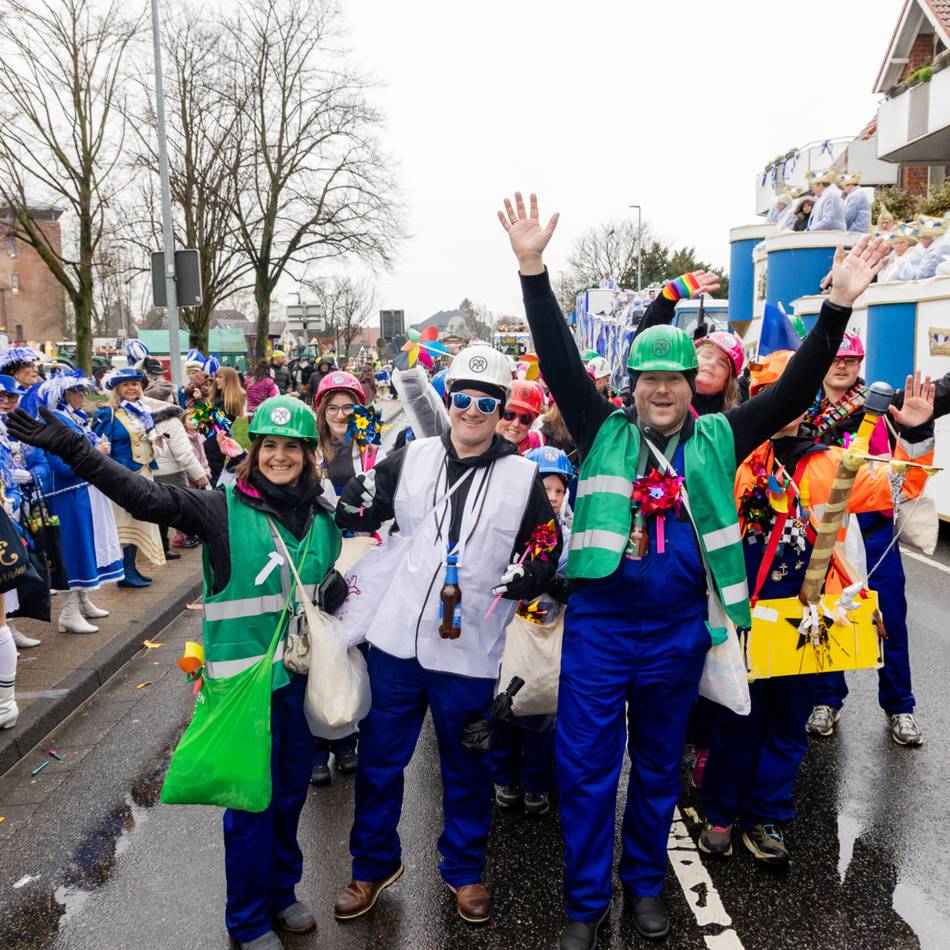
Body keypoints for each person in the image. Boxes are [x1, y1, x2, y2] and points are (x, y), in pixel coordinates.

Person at [497, 191, 889, 948]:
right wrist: (533, 272)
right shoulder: (600, 427)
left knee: (654, 771)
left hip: (679, 632)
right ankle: (585, 903)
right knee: (584, 773)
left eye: (676, 378)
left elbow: (796, 392)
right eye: (650, 379)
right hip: (603, 631)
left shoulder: (718, 439)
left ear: (691, 386)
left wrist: (836, 308)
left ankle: (643, 885)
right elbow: (555, 357)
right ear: (633, 385)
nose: (664, 389)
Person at [7, 394, 348, 950]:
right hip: (240, 690)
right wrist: (71, 447)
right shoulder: (219, 509)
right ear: (253, 450)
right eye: (269, 445)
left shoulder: (322, 513)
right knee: (248, 800)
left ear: (309, 455)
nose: (280, 456)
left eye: (292, 447)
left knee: (288, 795)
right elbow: (143, 496)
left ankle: (282, 891)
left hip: (297, 684)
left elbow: (318, 584)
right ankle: (247, 918)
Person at [331, 343, 560, 927]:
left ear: (503, 408)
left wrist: (531, 572)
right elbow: (359, 510)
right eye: (463, 397)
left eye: (488, 401)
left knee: (466, 765)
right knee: (381, 760)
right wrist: (351, 505)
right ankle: (372, 865)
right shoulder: (410, 456)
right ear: (449, 398)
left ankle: (463, 870)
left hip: (470, 650)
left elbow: (546, 542)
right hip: (397, 643)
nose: (473, 410)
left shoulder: (524, 475)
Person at [698, 357, 934, 865]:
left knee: (787, 724)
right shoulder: (727, 459)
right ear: (753, 397)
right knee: (736, 717)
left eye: (791, 394)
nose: (781, 405)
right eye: (769, 391)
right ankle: (719, 813)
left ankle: (767, 818)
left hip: (811, 619)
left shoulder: (831, 463)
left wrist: (916, 432)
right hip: (743, 616)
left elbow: (901, 487)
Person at [800, 334, 928, 746]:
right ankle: (826, 700)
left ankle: (900, 707)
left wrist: (917, 425)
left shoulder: (884, 409)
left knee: (889, 618)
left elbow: (904, 472)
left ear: (860, 363)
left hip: (873, 529)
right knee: (823, 619)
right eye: (835, 359)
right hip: (826, 534)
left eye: (851, 359)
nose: (842, 366)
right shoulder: (802, 411)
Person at [492, 445, 573, 817]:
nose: (552, 498)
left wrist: (556, 583)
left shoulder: (569, 537)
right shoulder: (507, 530)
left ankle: (537, 782)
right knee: (504, 711)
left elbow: (576, 586)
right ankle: (503, 776)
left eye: (559, 491)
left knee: (541, 714)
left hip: (547, 637)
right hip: (508, 636)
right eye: (545, 489)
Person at [309, 369, 380, 786]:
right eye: (332, 407)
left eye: (348, 407)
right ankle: (318, 743)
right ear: (322, 410)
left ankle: (347, 738)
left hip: (362, 556)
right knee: (320, 646)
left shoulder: (371, 447)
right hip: (321, 554)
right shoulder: (309, 449)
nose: (340, 413)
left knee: (355, 645)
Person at [32, 373, 124, 631]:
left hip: (81, 490)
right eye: (77, 392)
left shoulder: (73, 419)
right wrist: (95, 454)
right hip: (66, 495)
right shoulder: (55, 421)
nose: (82, 396)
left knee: (86, 546)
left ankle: (83, 601)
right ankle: (69, 613)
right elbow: (62, 466)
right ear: (63, 395)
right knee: (72, 550)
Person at [92, 368, 165, 588]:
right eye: (126, 385)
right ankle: (123, 572)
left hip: (144, 473)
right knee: (123, 523)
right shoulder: (107, 413)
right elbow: (98, 445)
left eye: (135, 384)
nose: (132, 388)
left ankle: (132, 567)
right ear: (117, 389)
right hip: (122, 477)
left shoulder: (142, 411)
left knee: (139, 519)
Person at [0, 374, 51, 648]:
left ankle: (11, 627)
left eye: (13, 397)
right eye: (2, 397)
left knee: (16, 568)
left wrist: (29, 477)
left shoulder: (20, 428)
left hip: (21, 507)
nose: (8, 402)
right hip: (4, 510)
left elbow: (41, 462)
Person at [497, 379, 546, 454]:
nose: (516, 424)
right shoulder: (477, 442)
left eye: (525, 419)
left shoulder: (540, 447)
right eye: (509, 415)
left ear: (531, 424)